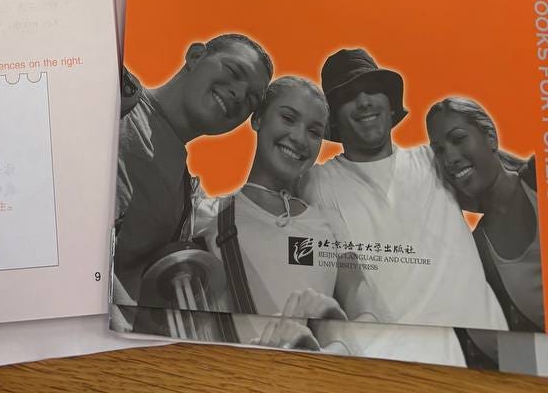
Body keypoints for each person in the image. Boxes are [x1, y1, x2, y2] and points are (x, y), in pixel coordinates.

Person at [301, 48, 507, 366]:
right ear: (333, 118)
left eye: (373, 89)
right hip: (407, 359)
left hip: (495, 345)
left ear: (390, 103)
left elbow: (508, 184)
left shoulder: (434, 158)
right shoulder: (316, 183)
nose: (364, 101)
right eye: (348, 96)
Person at [190, 76, 384, 353]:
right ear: (258, 119)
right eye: (288, 118)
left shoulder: (328, 223)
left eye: (314, 132)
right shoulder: (206, 216)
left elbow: (366, 312)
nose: (299, 138)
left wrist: (335, 349)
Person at [113, 33, 272, 315]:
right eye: (234, 71)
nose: (239, 95)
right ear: (196, 56)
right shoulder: (115, 96)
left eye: (251, 101)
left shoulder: (185, 203)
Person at [427, 96, 543, 331]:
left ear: (490, 137)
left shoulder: (539, 176)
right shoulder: (479, 250)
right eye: (439, 150)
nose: (450, 158)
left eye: (458, 139)